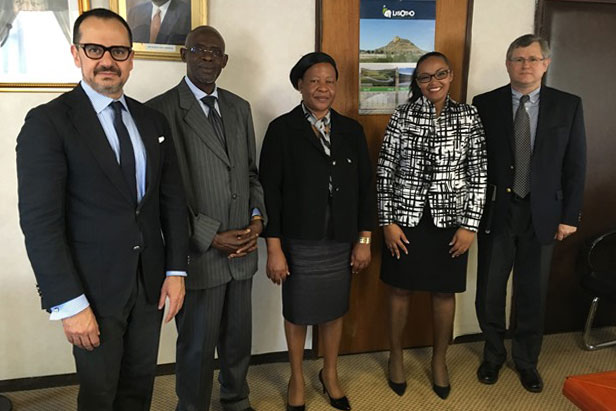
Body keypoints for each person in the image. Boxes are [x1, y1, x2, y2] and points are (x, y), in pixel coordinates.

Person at [16, 8, 188, 410]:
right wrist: (69, 303)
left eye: (118, 51)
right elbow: (40, 224)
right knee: (99, 394)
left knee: (138, 388)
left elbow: (172, 200)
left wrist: (176, 271)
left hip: (149, 284)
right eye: (95, 49)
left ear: (131, 58)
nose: (107, 60)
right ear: (76, 53)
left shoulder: (153, 121)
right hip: (91, 290)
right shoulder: (48, 122)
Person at [147, 26, 265, 411]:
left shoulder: (239, 108)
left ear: (225, 60)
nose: (208, 57)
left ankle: (236, 399)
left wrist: (256, 220)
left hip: (242, 251)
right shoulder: (159, 111)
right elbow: (159, 191)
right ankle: (192, 406)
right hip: (199, 254)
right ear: (185, 54)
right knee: (197, 346)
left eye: (216, 52)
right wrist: (209, 235)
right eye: (199, 50)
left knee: (238, 340)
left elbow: (250, 173)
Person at [259, 52, 375, 411]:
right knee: (297, 312)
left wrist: (364, 241)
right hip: (298, 241)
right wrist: (274, 249)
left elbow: (366, 190)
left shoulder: (352, 131)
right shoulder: (282, 130)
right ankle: (296, 376)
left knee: (333, 310)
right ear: (300, 85)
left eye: (329, 81)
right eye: (314, 81)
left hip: (340, 240)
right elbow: (270, 193)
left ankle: (330, 373)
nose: (323, 88)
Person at [473, 34, 586, 393]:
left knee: (532, 292)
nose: (526, 65)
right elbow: (475, 162)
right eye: (518, 59)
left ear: (545, 64)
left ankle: (526, 361)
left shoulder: (568, 105)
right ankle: (493, 354)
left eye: (533, 59)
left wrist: (569, 215)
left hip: (544, 214)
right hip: (498, 211)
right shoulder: (485, 103)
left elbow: (576, 164)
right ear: (508, 64)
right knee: (490, 291)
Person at [377, 51, 487, 400]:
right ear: (417, 82)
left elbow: (479, 174)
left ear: (451, 76)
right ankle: (396, 357)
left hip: (450, 223)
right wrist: (387, 222)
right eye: (425, 77)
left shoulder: (468, 116)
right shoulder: (402, 115)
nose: (433, 82)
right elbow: (385, 171)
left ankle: (439, 359)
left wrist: (470, 225)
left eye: (440, 74)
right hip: (405, 221)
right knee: (399, 290)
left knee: (444, 292)